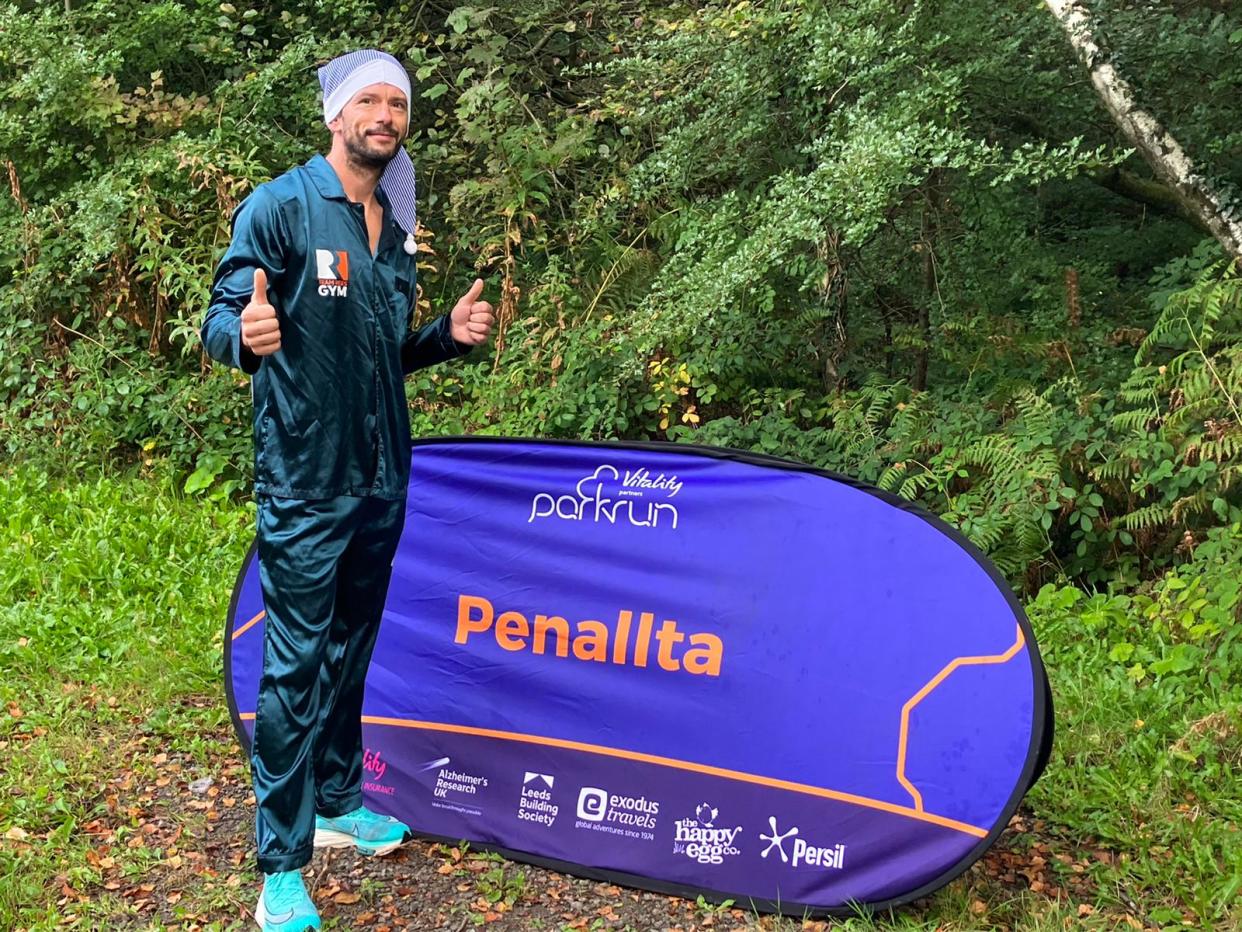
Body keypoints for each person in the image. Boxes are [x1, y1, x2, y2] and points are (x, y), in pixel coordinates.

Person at [200, 49, 494, 932]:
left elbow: (382, 357)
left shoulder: (395, 228)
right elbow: (221, 312)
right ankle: (282, 867)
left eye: (396, 104)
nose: (384, 115)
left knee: (351, 645)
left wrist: (443, 336)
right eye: (368, 99)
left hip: (380, 478)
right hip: (305, 476)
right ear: (336, 114)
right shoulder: (283, 205)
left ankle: (335, 798)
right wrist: (240, 334)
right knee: (293, 665)